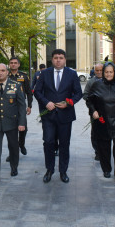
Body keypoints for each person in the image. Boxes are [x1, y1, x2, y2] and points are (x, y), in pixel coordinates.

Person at [34, 49, 82, 183]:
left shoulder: (72, 74)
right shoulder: (44, 73)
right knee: (48, 142)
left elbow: (78, 93)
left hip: (65, 115)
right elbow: (37, 91)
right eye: (55, 58)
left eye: (61, 58)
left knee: (64, 144)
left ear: (65, 59)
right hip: (48, 115)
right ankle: (49, 169)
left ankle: (63, 171)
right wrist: (46, 102)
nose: (58, 60)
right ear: (52, 60)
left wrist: (68, 103)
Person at [86, 62, 115, 182]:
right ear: (103, 73)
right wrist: (93, 111)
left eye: (111, 72)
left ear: (114, 73)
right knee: (104, 147)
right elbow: (89, 101)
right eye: (106, 72)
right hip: (102, 120)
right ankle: (106, 169)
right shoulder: (96, 85)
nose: (109, 74)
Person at [6, 57, 32, 161]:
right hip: (8, 106)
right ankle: (12, 153)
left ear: (18, 65)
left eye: (15, 63)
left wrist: (29, 106)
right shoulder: (5, 75)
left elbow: (29, 92)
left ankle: (21, 144)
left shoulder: (24, 76)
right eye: (11, 63)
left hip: (20, 106)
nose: (13, 65)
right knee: (10, 131)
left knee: (23, 128)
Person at [83, 63, 104, 161]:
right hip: (95, 111)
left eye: (101, 70)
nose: (99, 72)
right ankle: (97, 152)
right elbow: (85, 95)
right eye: (97, 70)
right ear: (94, 71)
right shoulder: (91, 82)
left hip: (108, 111)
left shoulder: (109, 80)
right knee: (95, 132)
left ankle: (105, 150)